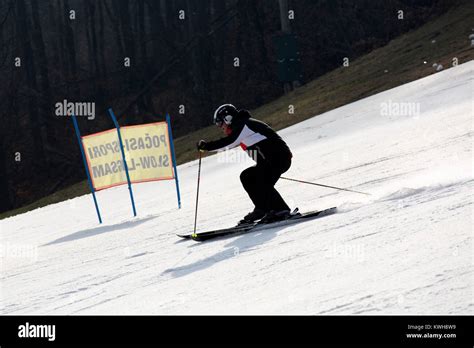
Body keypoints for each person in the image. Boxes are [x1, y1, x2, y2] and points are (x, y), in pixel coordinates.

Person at [197, 104, 294, 224]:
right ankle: (263, 209)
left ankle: (280, 210)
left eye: (220, 123)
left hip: (279, 159)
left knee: (262, 181)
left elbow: (229, 142)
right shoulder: (241, 126)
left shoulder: (244, 125)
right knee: (247, 176)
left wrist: (207, 146)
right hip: (270, 162)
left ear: (228, 118)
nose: (220, 127)